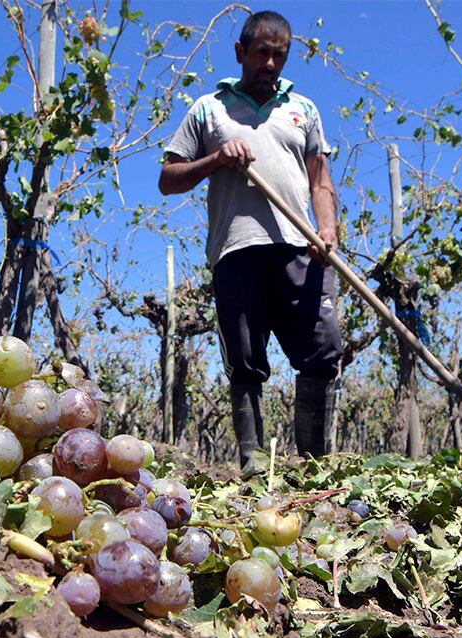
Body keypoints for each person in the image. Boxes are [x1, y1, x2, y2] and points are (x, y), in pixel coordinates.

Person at [158, 10, 344, 473]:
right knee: (244, 361)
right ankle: (253, 465)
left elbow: (321, 182)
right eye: (262, 53)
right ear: (241, 52)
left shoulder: (304, 110)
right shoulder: (208, 108)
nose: (270, 63)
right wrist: (218, 158)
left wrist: (328, 229)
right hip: (236, 249)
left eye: (279, 55)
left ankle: (315, 468)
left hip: (300, 246)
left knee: (323, 352)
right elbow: (168, 178)